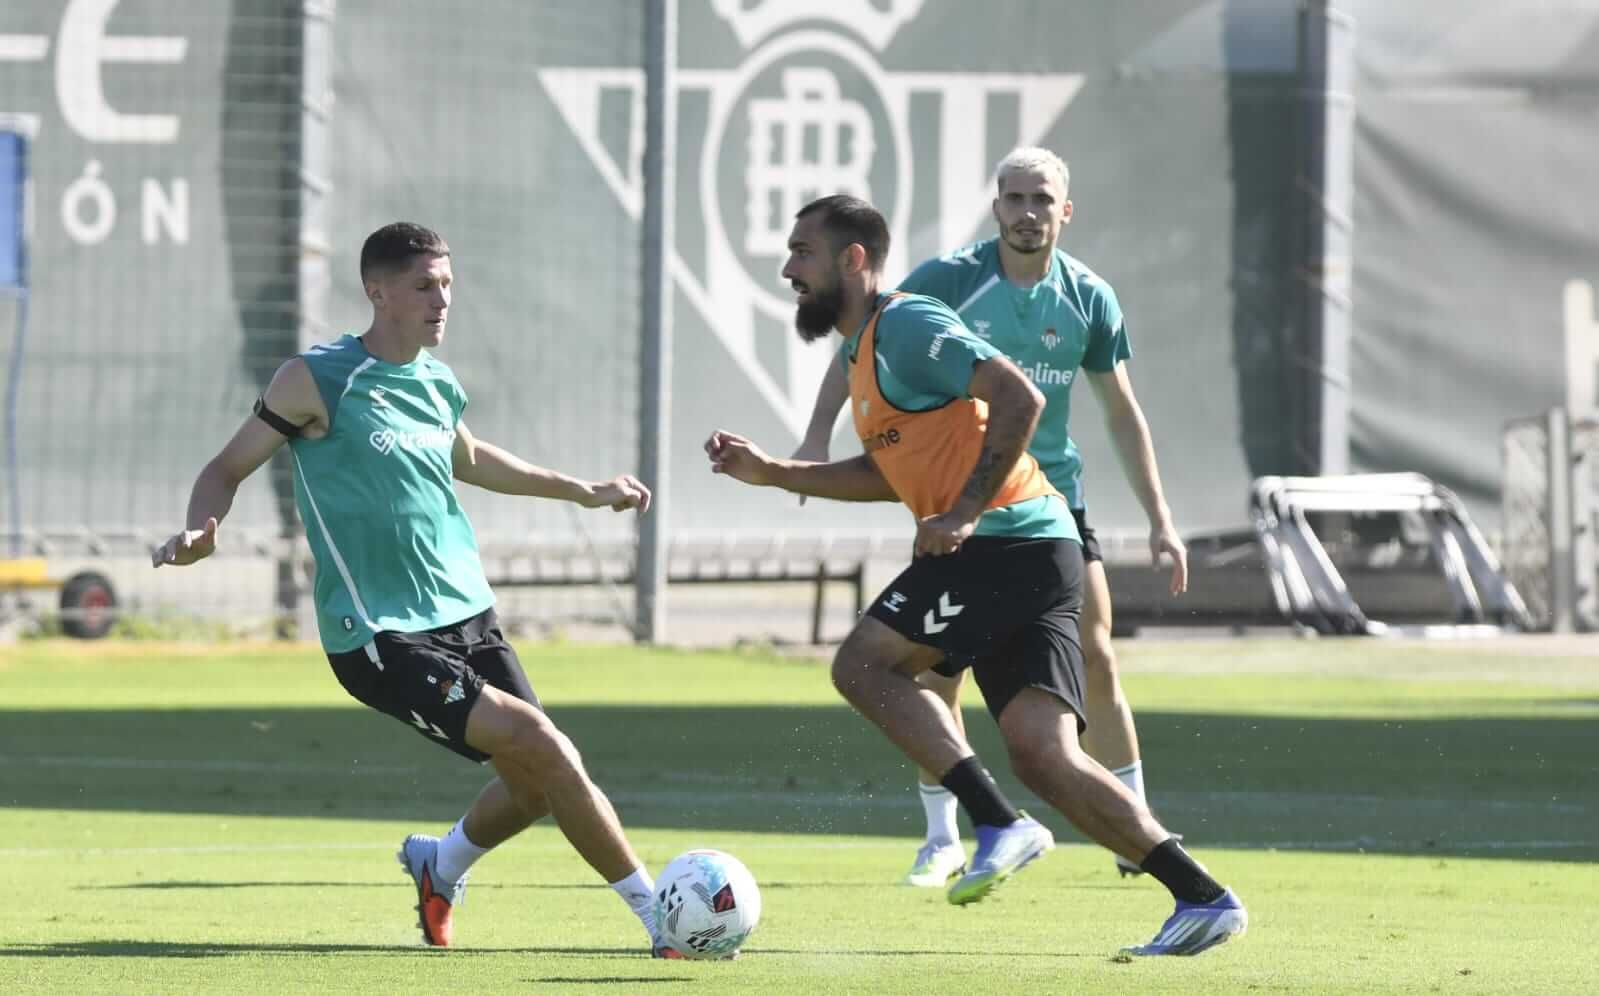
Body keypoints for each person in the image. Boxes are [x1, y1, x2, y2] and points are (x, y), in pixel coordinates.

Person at [706, 194, 1245, 956]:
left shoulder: (907, 324)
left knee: (862, 664)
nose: (788, 267)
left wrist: (960, 513)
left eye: (802, 251)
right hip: (1031, 546)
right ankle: (1202, 897)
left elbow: (1017, 397)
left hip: (1005, 543)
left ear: (852, 259)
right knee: (1042, 753)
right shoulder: (864, 351)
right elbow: (889, 472)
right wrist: (772, 473)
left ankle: (995, 821)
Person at [153, 222, 686, 956]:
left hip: (467, 611)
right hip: (377, 635)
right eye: (423, 286)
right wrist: (199, 530)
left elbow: (469, 457)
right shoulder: (315, 378)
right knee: (544, 745)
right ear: (378, 292)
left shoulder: (437, 380)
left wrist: (582, 491)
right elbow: (224, 467)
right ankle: (660, 916)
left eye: (447, 285)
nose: (441, 300)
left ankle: (442, 864)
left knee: (533, 783)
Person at [791, 147, 1186, 886]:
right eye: (1013, 198)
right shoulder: (947, 281)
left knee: (1095, 655)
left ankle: (1136, 826)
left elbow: (1120, 412)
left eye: (1041, 199)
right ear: (995, 205)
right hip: (960, 500)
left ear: (1064, 211)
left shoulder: (1088, 297)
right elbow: (861, 342)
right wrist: (815, 441)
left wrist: (1159, 516)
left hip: (1046, 502)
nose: (1026, 212)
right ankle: (945, 833)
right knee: (932, 664)